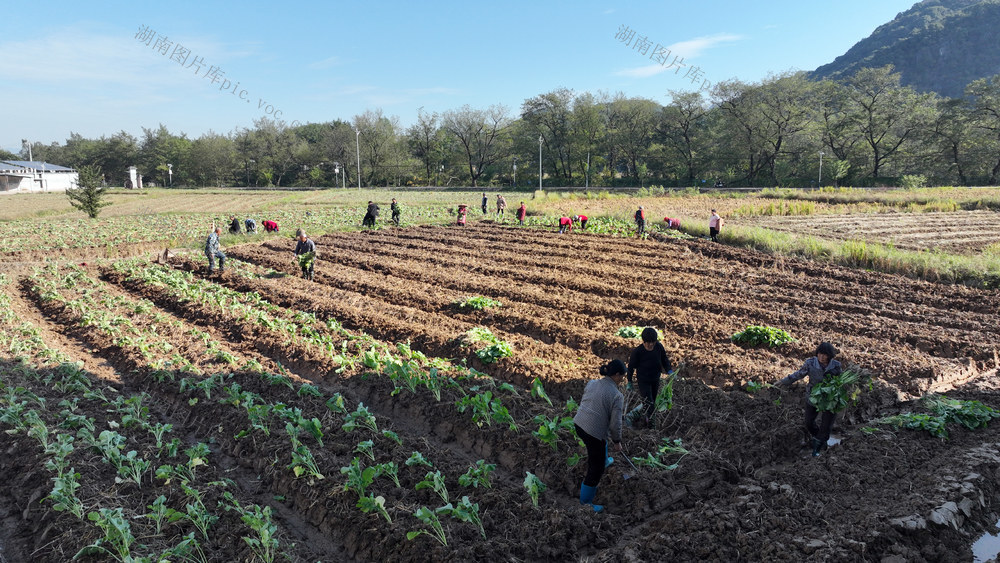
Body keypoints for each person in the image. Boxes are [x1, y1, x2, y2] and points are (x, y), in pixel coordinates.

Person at [573, 359, 626, 513]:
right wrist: (617, 441)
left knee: (600, 444)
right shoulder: (617, 396)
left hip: (579, 424)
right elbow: (615, 424)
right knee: (596, 469)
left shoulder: (592, 382)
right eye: (622, 376)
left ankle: (604, 459)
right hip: (592, 432)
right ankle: (586, 503)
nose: (623, 379)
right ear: (616, 375)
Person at [776, 342, 843, 457]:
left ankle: (818, 449)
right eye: (820, 354)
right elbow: (799, 374)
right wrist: (784, 381)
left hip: (829, 399)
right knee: (809, 422)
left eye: (825, 355)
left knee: (826, 426)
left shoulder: (836, 366)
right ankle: (819, 440)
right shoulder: (810, 363)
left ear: (829, 356)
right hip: (813, 396)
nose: (821, 357)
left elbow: (840, 381)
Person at [626, 327, 673, 429]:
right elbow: (630, 368)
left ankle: (643, 417)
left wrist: (669, 370)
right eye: (648, 342)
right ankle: (651, 426)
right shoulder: (638, 352)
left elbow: (664, 360)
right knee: (649, 402)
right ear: (644, 341)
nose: (651, 345)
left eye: (653, 342)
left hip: (655, 378)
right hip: (643, 381)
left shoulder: (659, 347)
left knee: (652, 401)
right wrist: (629, 381)